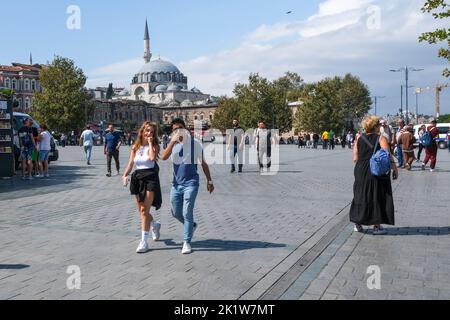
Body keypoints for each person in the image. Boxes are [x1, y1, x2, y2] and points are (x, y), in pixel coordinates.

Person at [161, 118, 214, 254]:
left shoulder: (194, 143)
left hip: (191, 183)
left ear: (185, 129)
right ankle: (192, 226)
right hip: (176, 184)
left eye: (180, 128)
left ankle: (186, 242)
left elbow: (203, 163)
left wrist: (209, 181)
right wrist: (172, 141)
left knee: (186, 212)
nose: (177, 131)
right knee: (175, 212)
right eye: (174, 130)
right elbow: (163, 157)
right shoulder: (171, 143)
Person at [350, 115, 398, 235]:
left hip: (361, 169)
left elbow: (355, 158)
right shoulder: (381, 138)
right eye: (379, 125)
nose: (380, 127)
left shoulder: (359, 138)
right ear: (375, 126)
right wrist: (394, 168)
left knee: (360, 194)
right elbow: (387, 155)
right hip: (375, 169)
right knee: (377, 195)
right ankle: (376, 227)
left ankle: (357, 224)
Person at [122, 121, 162, 254]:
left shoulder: (155, 145)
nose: (148, 133)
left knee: (145, 210)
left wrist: (150, 143)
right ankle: (154, 225)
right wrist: (125, 175)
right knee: (142, 210)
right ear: (142, 131)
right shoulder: (135, 147)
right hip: (138, 178)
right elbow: (131, 163)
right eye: (147, 131)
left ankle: (144, 241)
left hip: (150, 178)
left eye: (151, 131)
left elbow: (151, 158)